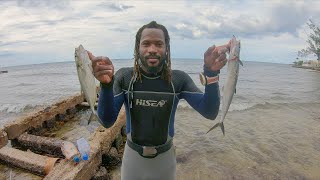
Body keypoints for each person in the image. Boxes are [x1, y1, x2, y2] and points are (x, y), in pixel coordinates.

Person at [88, 21, 229, 180]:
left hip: (165, 161)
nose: (152, 49)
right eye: (146, 43)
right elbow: (107, 121)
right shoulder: (125, 77)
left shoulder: (178, 80)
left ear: (166, 49)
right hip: (132, 161)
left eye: (159, 44)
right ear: (137, 48)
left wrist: (211, 74)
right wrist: (106, 85)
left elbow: (209, 112)